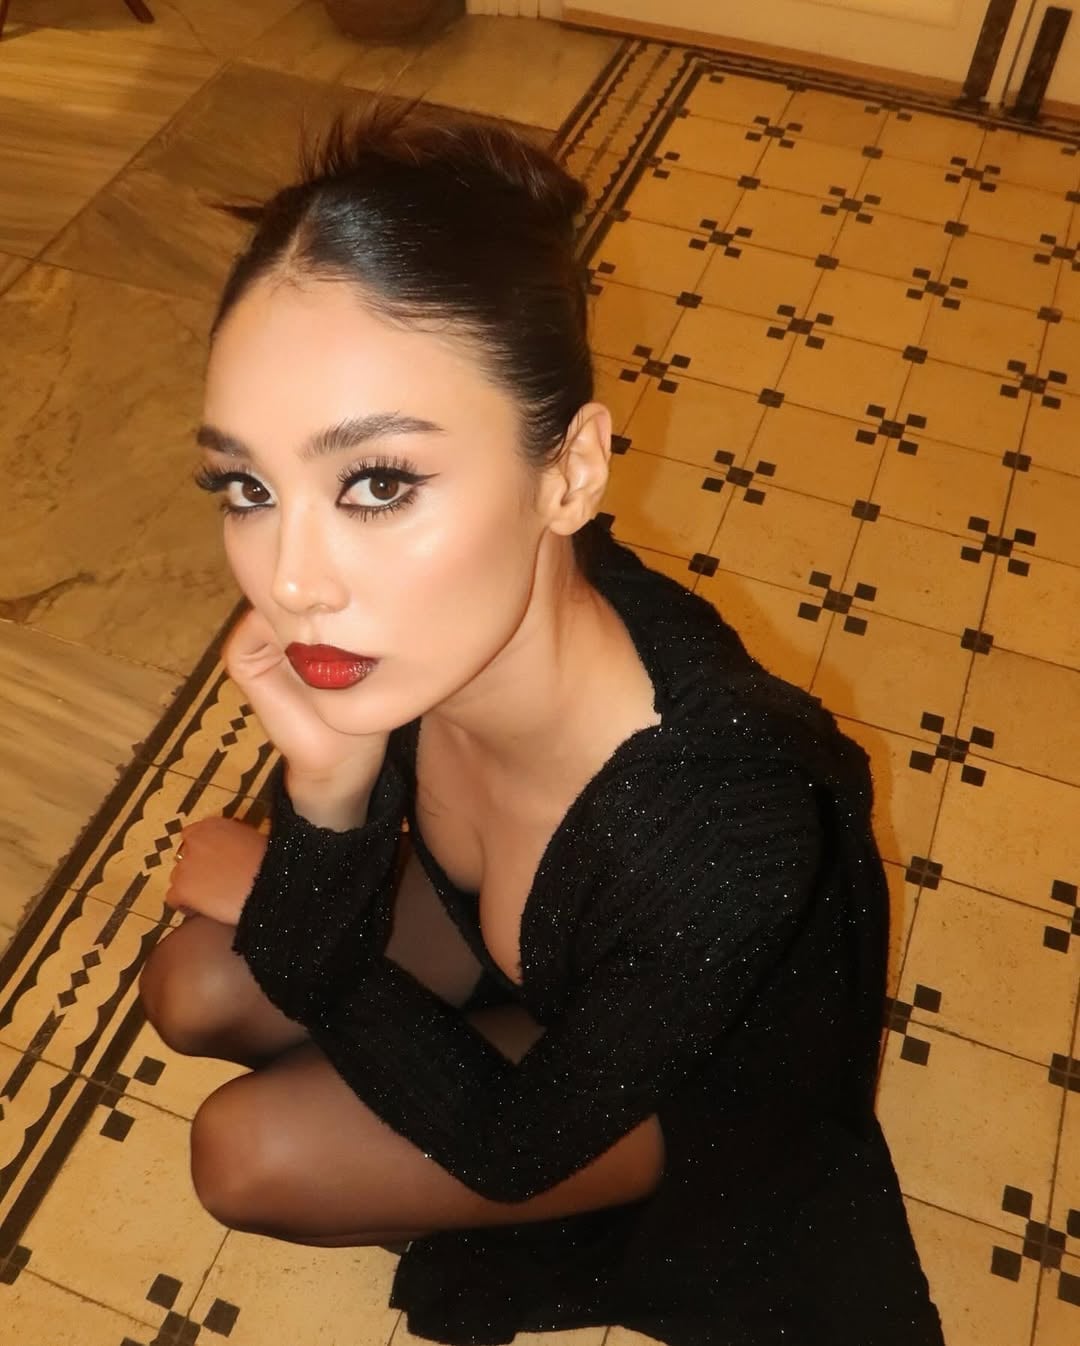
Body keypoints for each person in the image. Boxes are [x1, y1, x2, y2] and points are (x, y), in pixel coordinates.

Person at [139, 103, 945, 1346]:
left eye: (378, 482)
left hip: (685, 1092)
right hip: (517, 942)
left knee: (245, 1151)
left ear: (569, 472)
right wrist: (327, 791)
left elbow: (512, 1147)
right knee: (190, 983)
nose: (291, 580)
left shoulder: (728, 822)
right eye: (248, 484)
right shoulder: (427, 629)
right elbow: (298, 930)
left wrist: (304, 913)